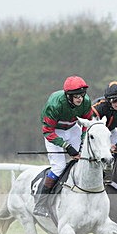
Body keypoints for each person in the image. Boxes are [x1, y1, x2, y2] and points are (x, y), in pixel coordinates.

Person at [34, 75, 94, 217]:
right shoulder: (55, 104)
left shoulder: (86, 102)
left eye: (82, 95)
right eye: (76, 96)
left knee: (87, 157)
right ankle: (40, 203)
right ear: (68, 96)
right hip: (54, 131)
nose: (80, 99)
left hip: (73, 128)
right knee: (59, 167)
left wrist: (82, 143)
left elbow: (86, 125)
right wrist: (66, 146)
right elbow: (47, 131)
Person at [91, 81, 117, 153]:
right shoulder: (99, 108)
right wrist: (107, 145)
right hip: (97, 131)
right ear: (108, 100)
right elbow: (95, 131)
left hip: (111, 129)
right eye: (115, 100)